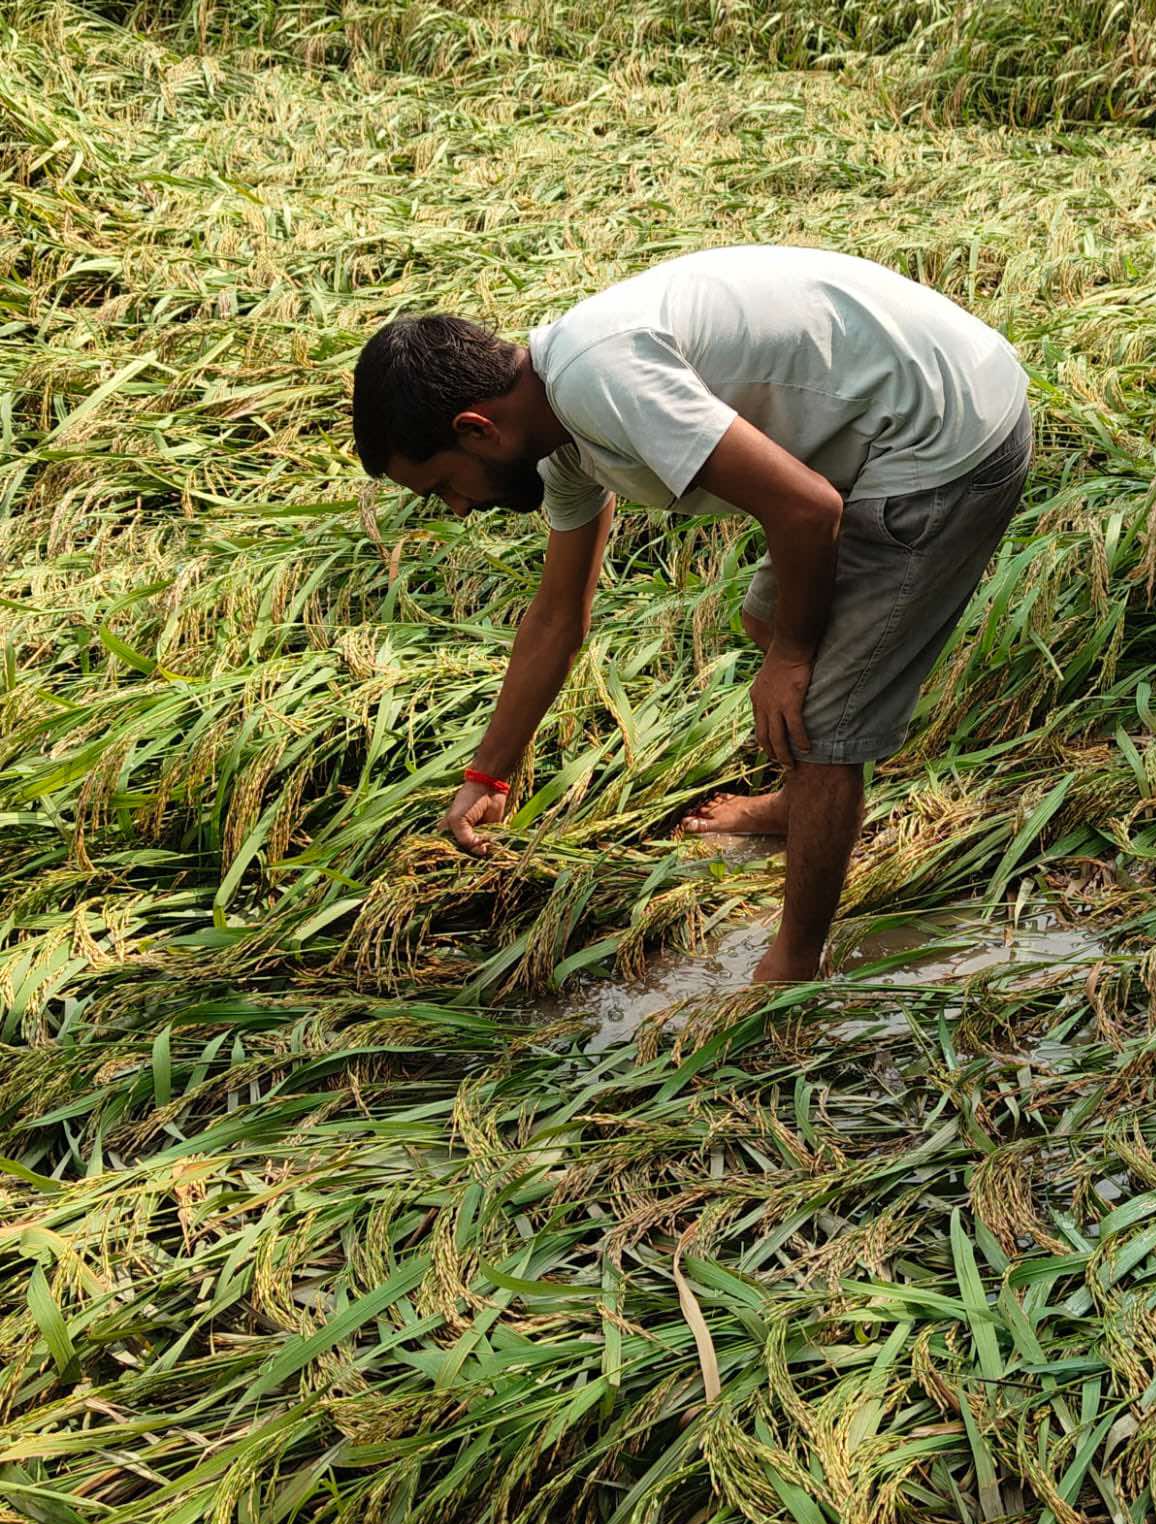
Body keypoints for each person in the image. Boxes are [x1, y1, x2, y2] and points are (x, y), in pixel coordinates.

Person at [351, 243, 1032, 983]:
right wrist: (489, 776)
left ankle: (794, 965)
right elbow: (556, 615)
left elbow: (807, 511)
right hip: (888, 413)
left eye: (443, 486)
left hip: (948, 427)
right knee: (770, 621)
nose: (458, 508)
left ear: (477, 429)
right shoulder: (558, 433)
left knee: (824, 718)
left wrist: (795, 659)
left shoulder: (600, 379)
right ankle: (792, 806)